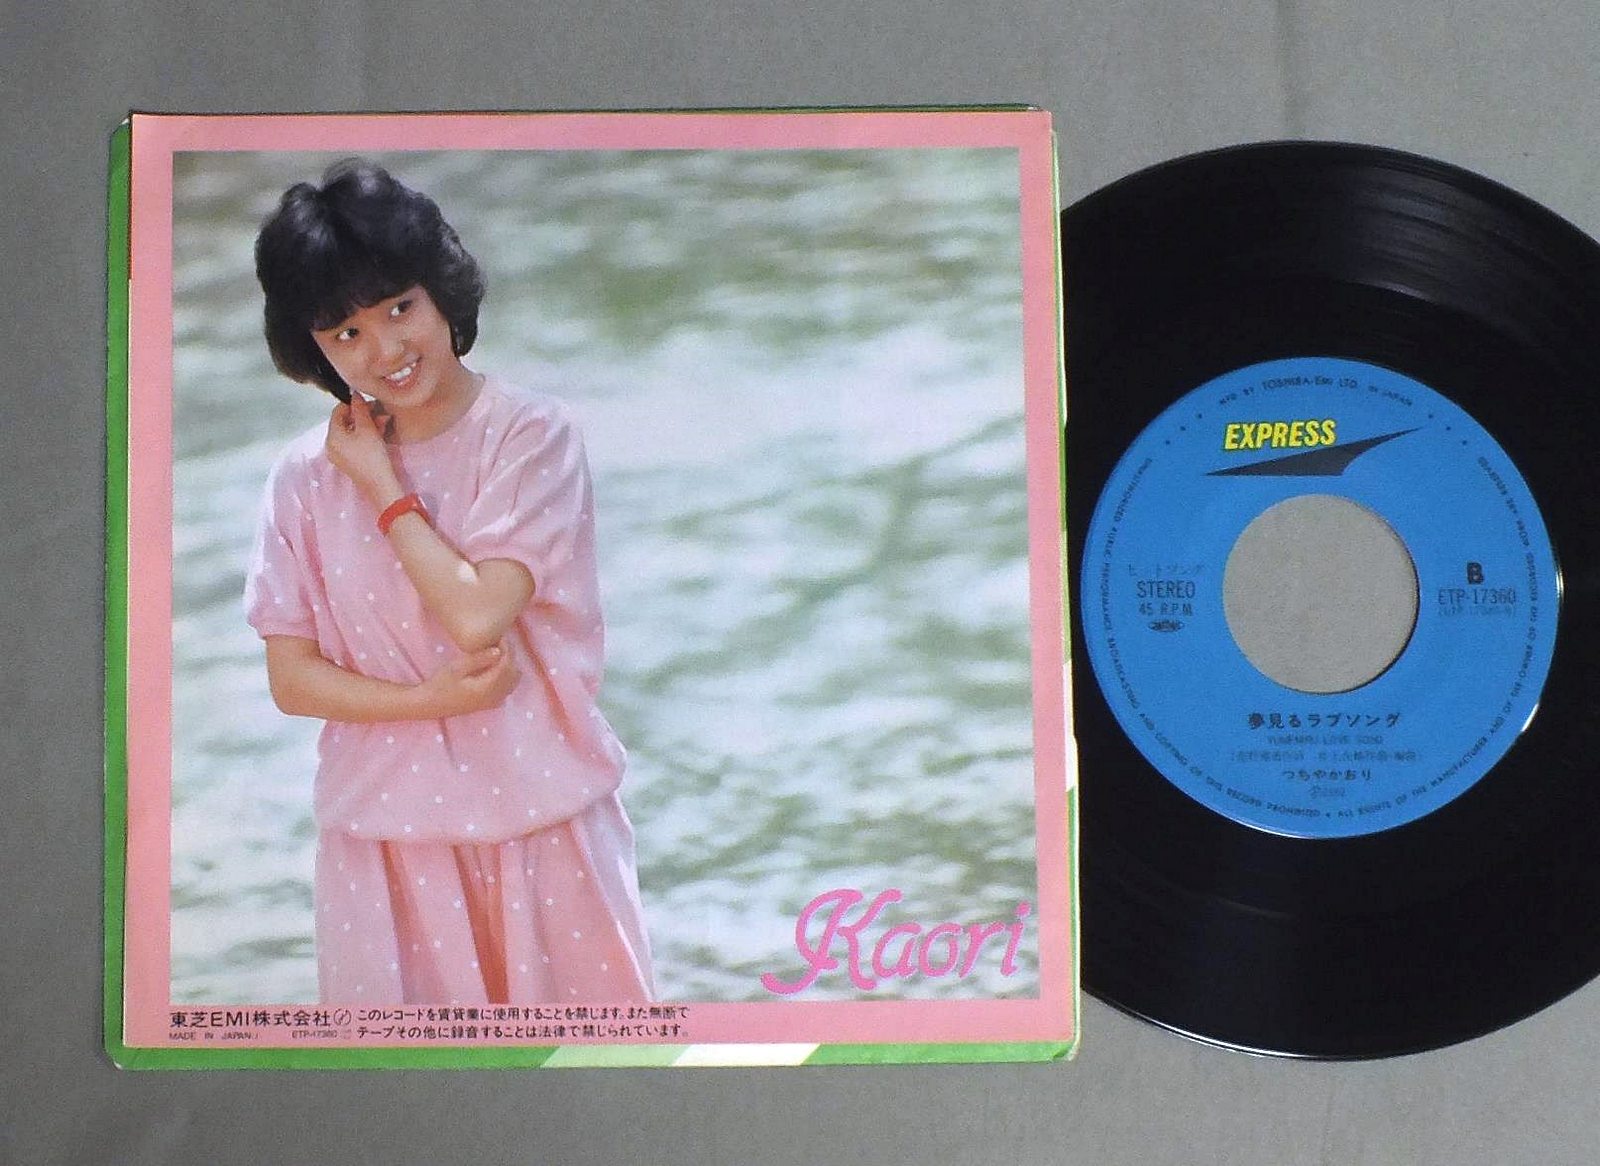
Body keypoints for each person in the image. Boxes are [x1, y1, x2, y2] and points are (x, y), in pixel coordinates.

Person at [245, 160, 654, 1006]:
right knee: (405, 1090)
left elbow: (477, 613)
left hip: (543, 828)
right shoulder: (303, 479)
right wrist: (427, 702)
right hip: (380, 849)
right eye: (346, 332)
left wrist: (382, 488)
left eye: (400, 307)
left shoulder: (529, 436)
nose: (387, 350)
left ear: (440, 291)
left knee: (594, 1079)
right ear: (313, 348)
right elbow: (291, 679)